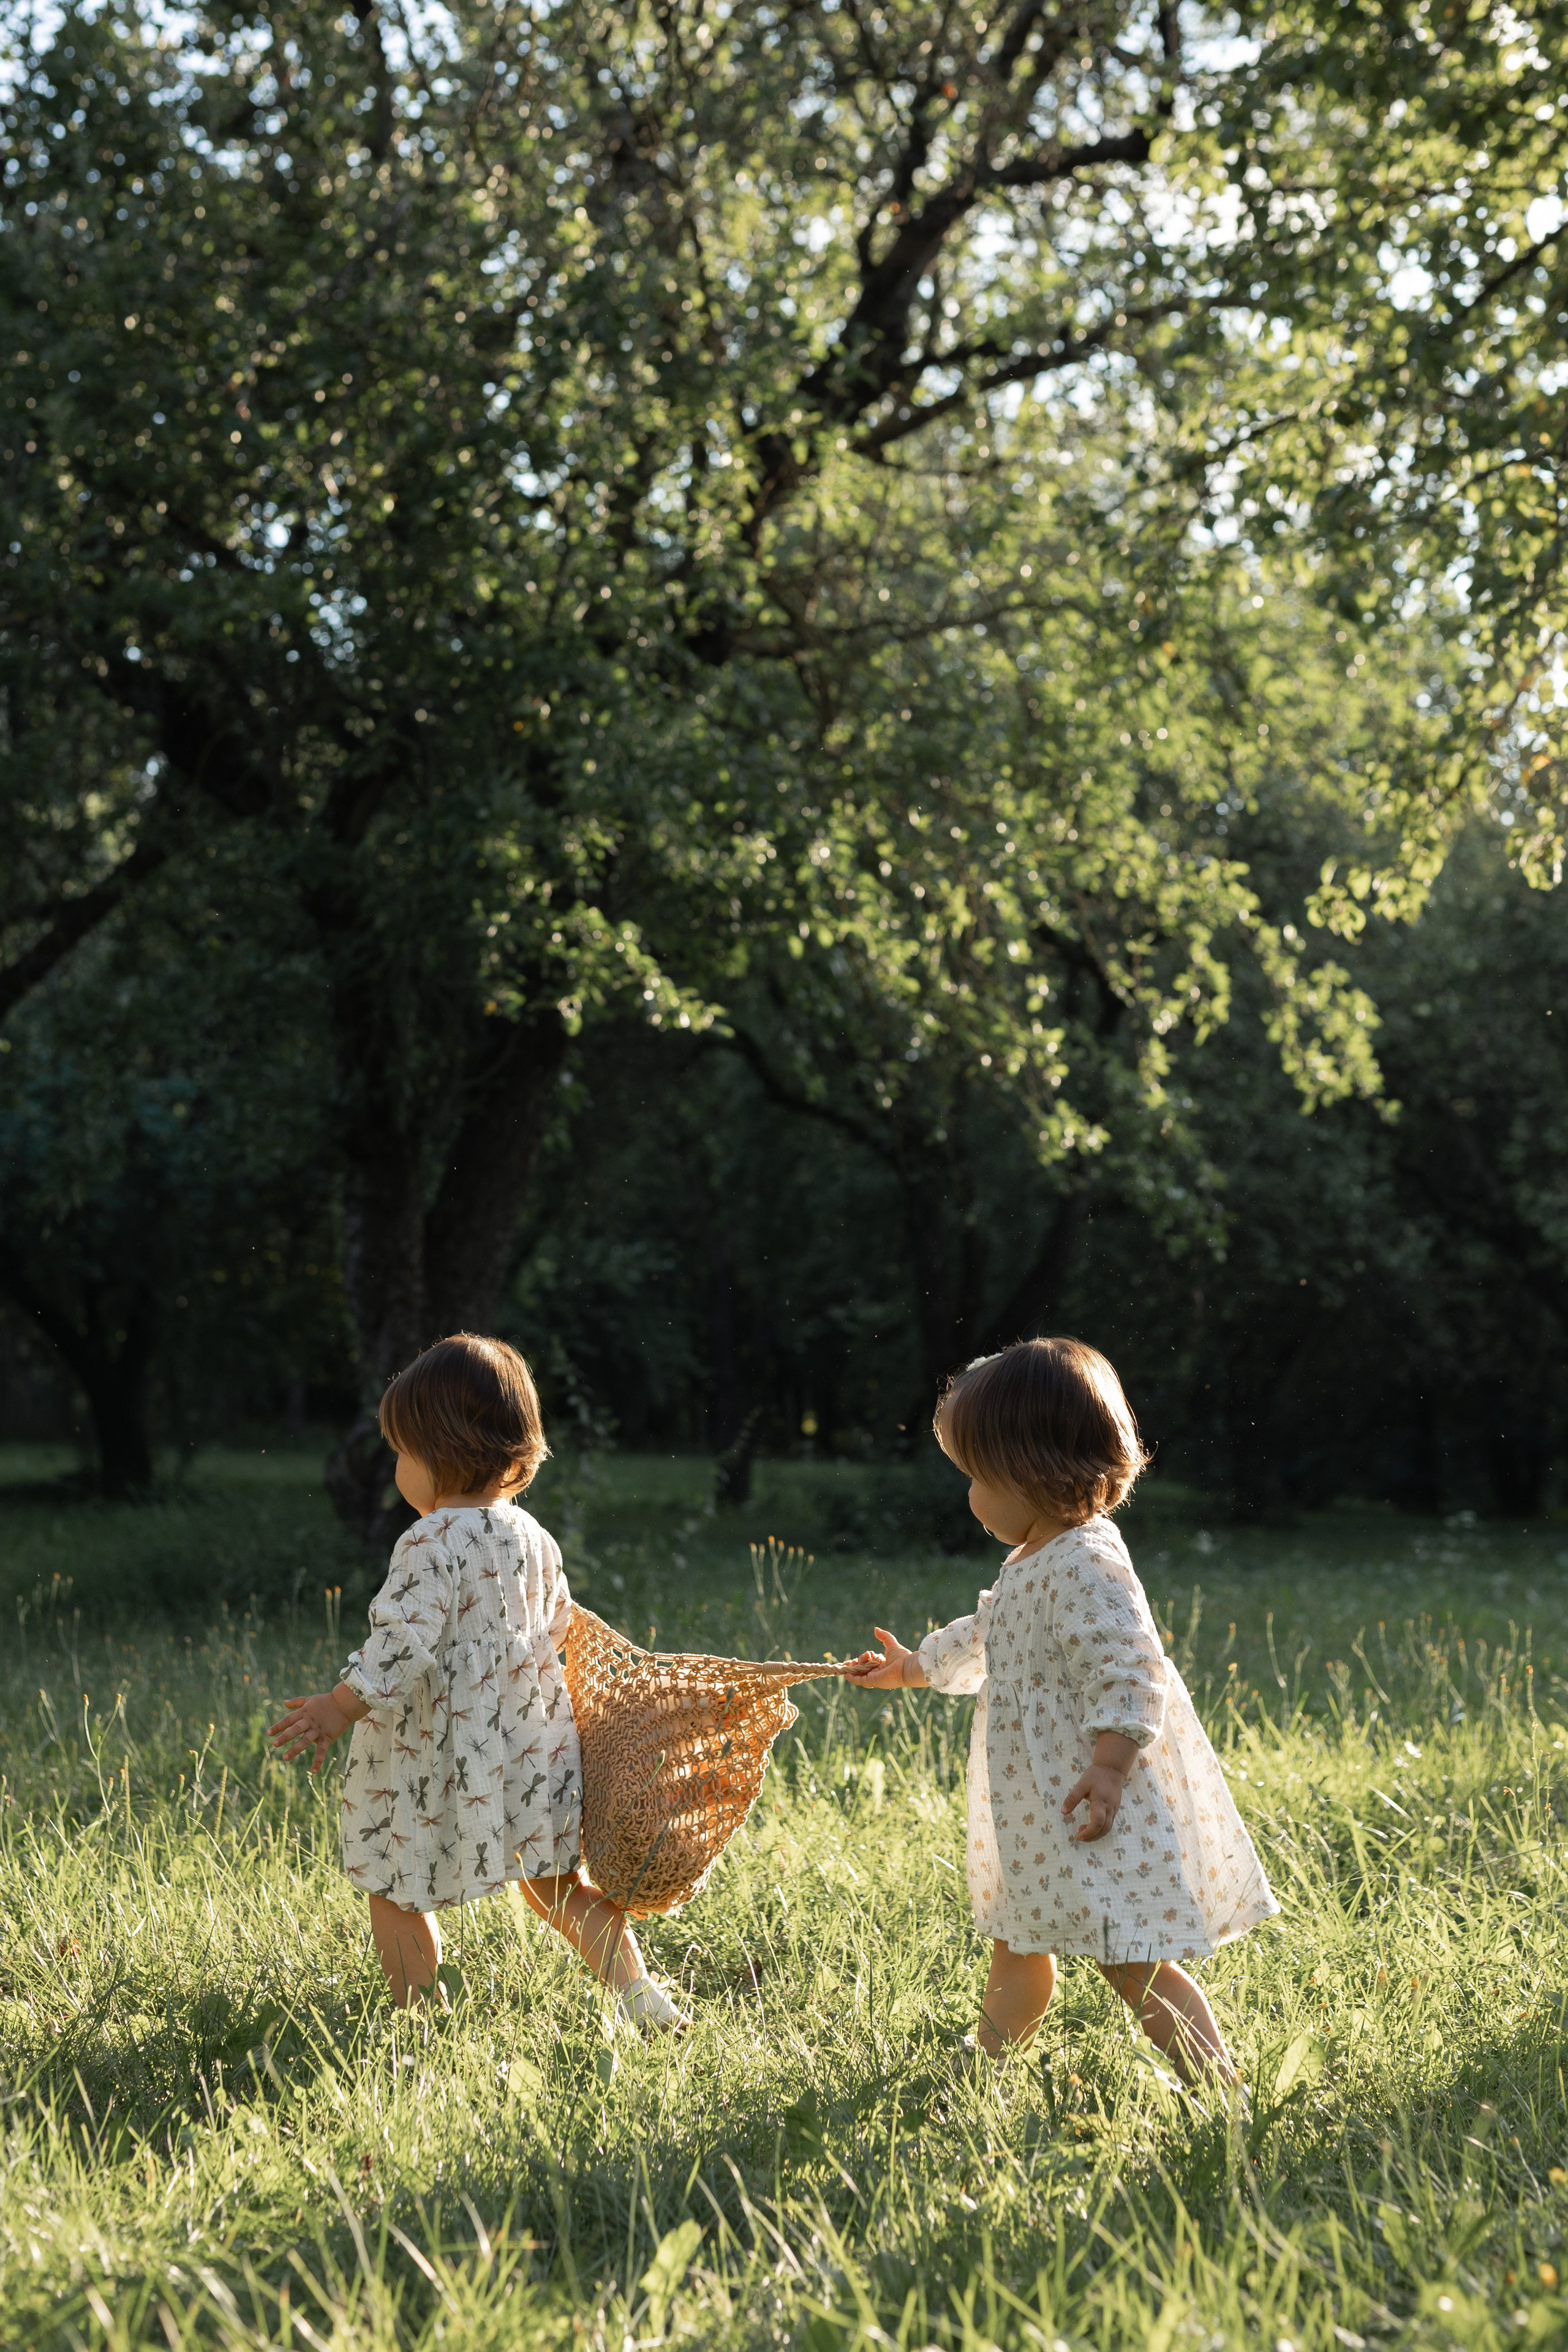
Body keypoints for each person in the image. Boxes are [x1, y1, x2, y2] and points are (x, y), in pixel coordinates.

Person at [845, 1337, 1276, 2085]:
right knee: (1018, 1936)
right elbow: (987, 1634)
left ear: (1030, 1472)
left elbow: (1132, 1667)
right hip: (1039, 1807)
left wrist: (1110, 1767)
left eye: (977, 1476)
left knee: (1129, 1958)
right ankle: (985, 2068)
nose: (969, 1495)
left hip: (1086, 1798)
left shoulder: (1086, 1562)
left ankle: (1219, 2083)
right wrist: (911, 1666)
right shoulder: (1036, 1556)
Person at [268, 1333, 688, 2032]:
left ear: (437, 1454)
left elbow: (401, 1648)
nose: (397, 1468)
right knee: (557, 1888)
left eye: (402, 1452)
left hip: (441, 1755)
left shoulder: (428, 1541)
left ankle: (422, 2022)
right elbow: (558, 1628)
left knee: (397, 1888)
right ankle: (640, 1992)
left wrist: (337, 1706)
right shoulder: (532, 1535)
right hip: (529, 1749)